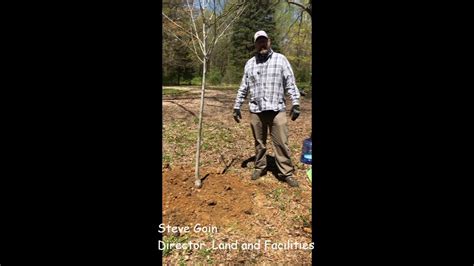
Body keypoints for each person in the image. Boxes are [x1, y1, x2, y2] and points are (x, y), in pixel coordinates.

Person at [233, 30, 301, 187]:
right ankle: (260, 167)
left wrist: (295, 103)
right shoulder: (250, 63)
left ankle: (286, 173)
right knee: (259, 142)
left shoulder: (280, 59)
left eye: (264, 40)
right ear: (255, 44)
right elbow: (244, 86)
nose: (262, 44)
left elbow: (290, 82)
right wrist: (237, 106)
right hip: (257, 110)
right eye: (259, 41)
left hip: (277, 109)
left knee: (281, 142)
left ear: (269, 41)